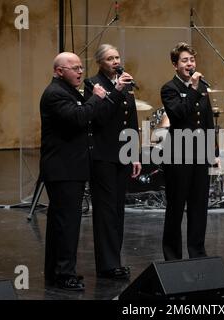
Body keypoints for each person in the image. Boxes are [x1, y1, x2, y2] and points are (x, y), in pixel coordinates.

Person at [40, 52, 123, 290]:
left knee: (61, 222)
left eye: (80, 67)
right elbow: (79, 118)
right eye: (74, 68)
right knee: (67, 223)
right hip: (63, 169)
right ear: (59, 71)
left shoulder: (67, 91)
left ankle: (56, 271)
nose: (79, 72)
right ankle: (64, 273)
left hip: (70, 168)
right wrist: (96, 98)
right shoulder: (55, 94)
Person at [84, 44, 141, 279]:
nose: (116, 62)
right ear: (100, 62)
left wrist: (135, 153)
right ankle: (107, 265)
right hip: (103, 154)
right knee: (105, 210)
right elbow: (98, 118)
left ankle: (114, 259)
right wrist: (116, 90)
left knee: (118, 209)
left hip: (122, 154)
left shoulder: (124, 83)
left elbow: (132, 120)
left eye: (117, 57)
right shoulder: (92, 85)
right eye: (110, 59)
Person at [160, 42, 218, 261]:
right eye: (184, 60)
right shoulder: (169, 88)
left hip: (200, 155)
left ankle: (197, 252)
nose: (190, 64)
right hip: (178, 155)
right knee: (176, 208)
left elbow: (207, 120)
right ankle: (172, 255)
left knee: (199, 206)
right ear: (175, 65)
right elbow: (179, 115)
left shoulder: (202, 87)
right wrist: (192, 89)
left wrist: (213, 151)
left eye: (192, 60)